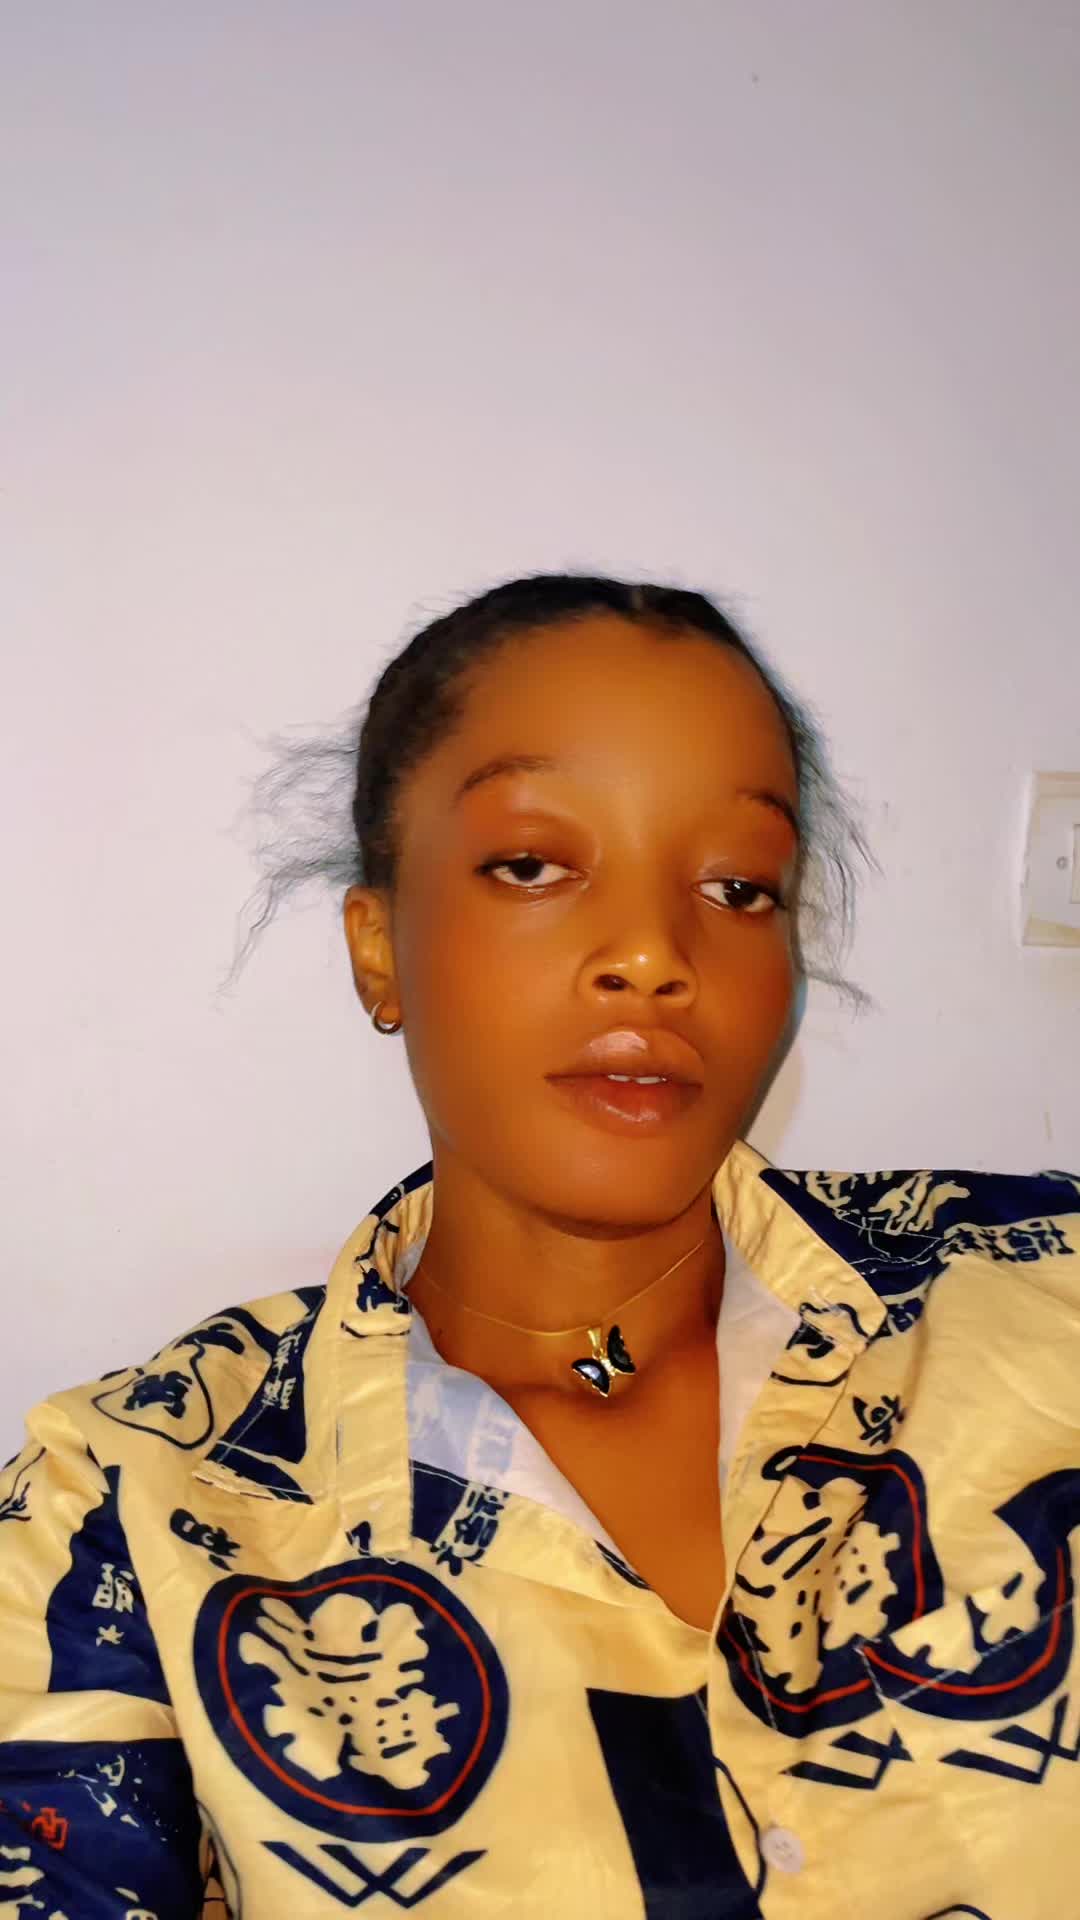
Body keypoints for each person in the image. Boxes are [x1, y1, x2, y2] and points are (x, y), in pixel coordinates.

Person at [2, 573, 1077, 1919]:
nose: (653, 955)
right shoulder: (127, 1507)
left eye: (738, 886)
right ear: (378, 947)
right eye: (532, 866)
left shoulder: (1048, 1291)